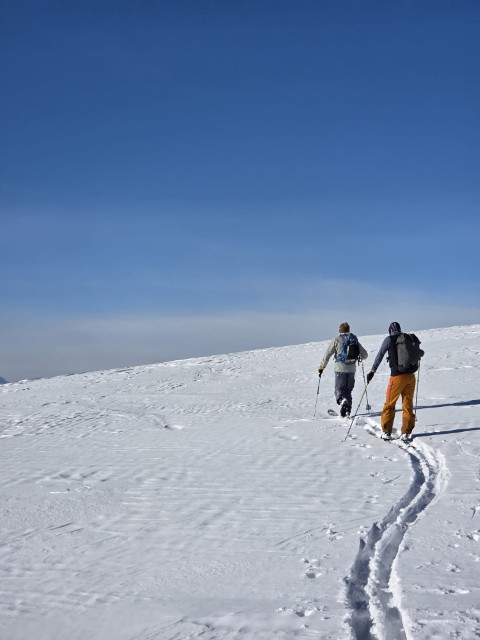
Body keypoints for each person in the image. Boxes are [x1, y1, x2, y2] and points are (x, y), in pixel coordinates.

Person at [366, 322, 423, 442]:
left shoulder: (389, 339)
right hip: (411, 376)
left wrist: (372, 371)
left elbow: (380, 355)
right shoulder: (407, 338)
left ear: (390, 330)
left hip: (397, 377)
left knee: (390, 404)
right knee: (407, 404)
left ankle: (386, 432)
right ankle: (406, 432)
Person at [317, 322, 368, 417]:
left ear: (340, 330)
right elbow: (365, 355)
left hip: (340, 369)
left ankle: (342, 401)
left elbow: (327, 354)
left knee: (339, 390)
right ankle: (347, 412)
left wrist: (322, 367)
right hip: (351, 370)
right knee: (348, 391)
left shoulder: (337, 340)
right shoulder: (354, 339)